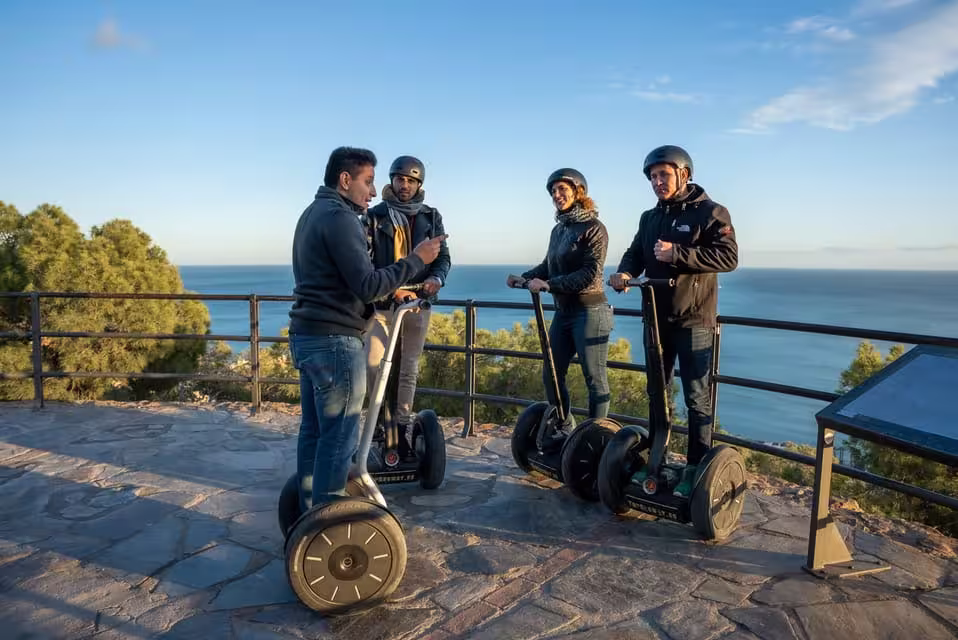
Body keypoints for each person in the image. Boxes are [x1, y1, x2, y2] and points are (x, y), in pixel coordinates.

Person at [288, 146, 445, 511]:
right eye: (368, 181)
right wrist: (416, 260)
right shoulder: (341, 218)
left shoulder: (311, 214)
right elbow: (368, 284)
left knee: (313, 433)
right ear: (345, 180)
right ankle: (329, 521)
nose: (373, 192)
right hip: (334, 341)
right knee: (339, 439)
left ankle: (307, 510)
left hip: (307, 334)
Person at [609, 145, 738, 498]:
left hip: (695, 319)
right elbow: (636, 252)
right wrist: (623, 272)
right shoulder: (650, 218)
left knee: (696, 397)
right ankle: (658, 459)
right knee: (657, 391)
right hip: (655, 317)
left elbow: (729, 257)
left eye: (663, 175)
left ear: (684, 173)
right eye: (652, 177)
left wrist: (678, 253)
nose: (656, 182)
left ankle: (696, 467)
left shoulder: (712, 212)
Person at [507, 168, 613, 445]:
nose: (557, 195)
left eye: (562, 189)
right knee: (551, 373)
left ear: (578, 192)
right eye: (553, 191)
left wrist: (549, 285)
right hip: (564, 312)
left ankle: (596, 438)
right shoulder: (559, 229)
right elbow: (547, 266)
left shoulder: (594, 229)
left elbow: (590, 274)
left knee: (594, 378)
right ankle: (565, 426)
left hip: (590, 312)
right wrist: (526, 277)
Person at [364, 155, 451, 455]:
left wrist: (437, 280)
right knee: (374, 365)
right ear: (392, 181)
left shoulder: (431, 216)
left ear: (419, 184)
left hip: (418, 303)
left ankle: (402, 424)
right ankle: (378, 420)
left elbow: (442, 257)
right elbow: (367, 259)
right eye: (400, 179)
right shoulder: (375, 216)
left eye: (411, 181)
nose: (405, 185)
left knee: (408, 368)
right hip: (383, 304)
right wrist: (391, 288)